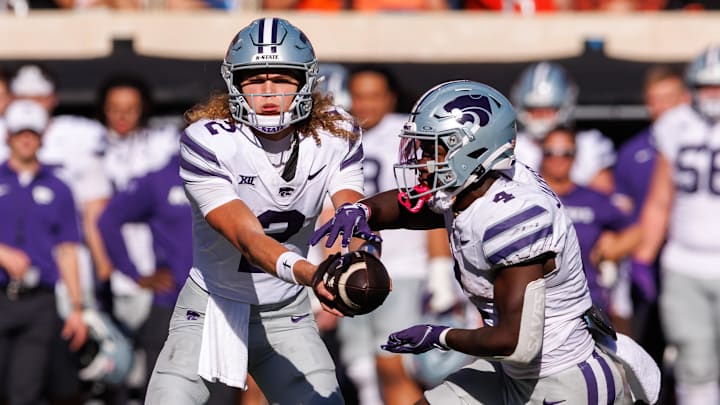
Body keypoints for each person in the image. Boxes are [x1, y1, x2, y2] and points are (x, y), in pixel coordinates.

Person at [312, 80, 660, 404]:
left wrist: (438, 336)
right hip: (512, 368)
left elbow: (515, 342)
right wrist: (362, 211)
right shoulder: (473, 186)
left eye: (433, 148)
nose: (419, 159)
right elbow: (411, 207)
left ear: (472, 151)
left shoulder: (514, 217)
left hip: (561, 379)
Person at [145, 17, 369, 405]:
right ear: (234, 83)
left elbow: (348, 206)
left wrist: (362, 245)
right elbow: (248, 238)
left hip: (287, 313)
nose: (269, 92)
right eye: (254, 79)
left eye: (282, 78)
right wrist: (314, 274)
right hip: (212, 305)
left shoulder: (337, 134)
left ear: (306, 81)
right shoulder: (209, 141)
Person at [333, 65, 460, 405]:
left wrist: (439, 273)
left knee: (395, 364)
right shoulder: (339, 136)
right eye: (359, 96)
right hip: (352, 265)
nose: (365, 105)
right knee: (359, 363)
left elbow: (434, 202)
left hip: (402, 267)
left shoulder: (408, 135)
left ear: (390, 98)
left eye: (374, 96)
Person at [637, 45, 720, 405]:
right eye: (705, 86)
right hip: (684, 262)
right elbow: (659, 199)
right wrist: (643, 256)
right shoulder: (676, 123)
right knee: (693, 365)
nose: (712, 95)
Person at [0, 99, 88, 405]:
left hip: (39, 300)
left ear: (42, 137)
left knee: (24, 390)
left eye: (33, 133)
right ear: (8, 135)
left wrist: (78, 308)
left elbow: (67, 250)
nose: (26, 139)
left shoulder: (59, 187)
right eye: (20, 132)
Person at [614, 64, 690, 367]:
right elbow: (625, 213)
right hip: (648, 261)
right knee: (648, 349)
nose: (663, 107)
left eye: (670, 98)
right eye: (655, 99)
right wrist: (636, 257)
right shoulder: (633, 152)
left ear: (686, 98)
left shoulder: (702, 141)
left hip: (692, 258)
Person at [539, 127, 638, 331]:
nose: (558, 159)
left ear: (575, 156)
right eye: (551, 153)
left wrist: (613, 248)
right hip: (535, 299)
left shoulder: (593, 199)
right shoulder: (527, 195)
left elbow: (637, 230)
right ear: (542, 154)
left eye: (566, 153)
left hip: (586, 299)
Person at [511, 61, 616, 193]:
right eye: (534, 110)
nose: (541, 117)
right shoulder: (513, 146)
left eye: (548, 110)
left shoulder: (590, 145)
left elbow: (603, 200)